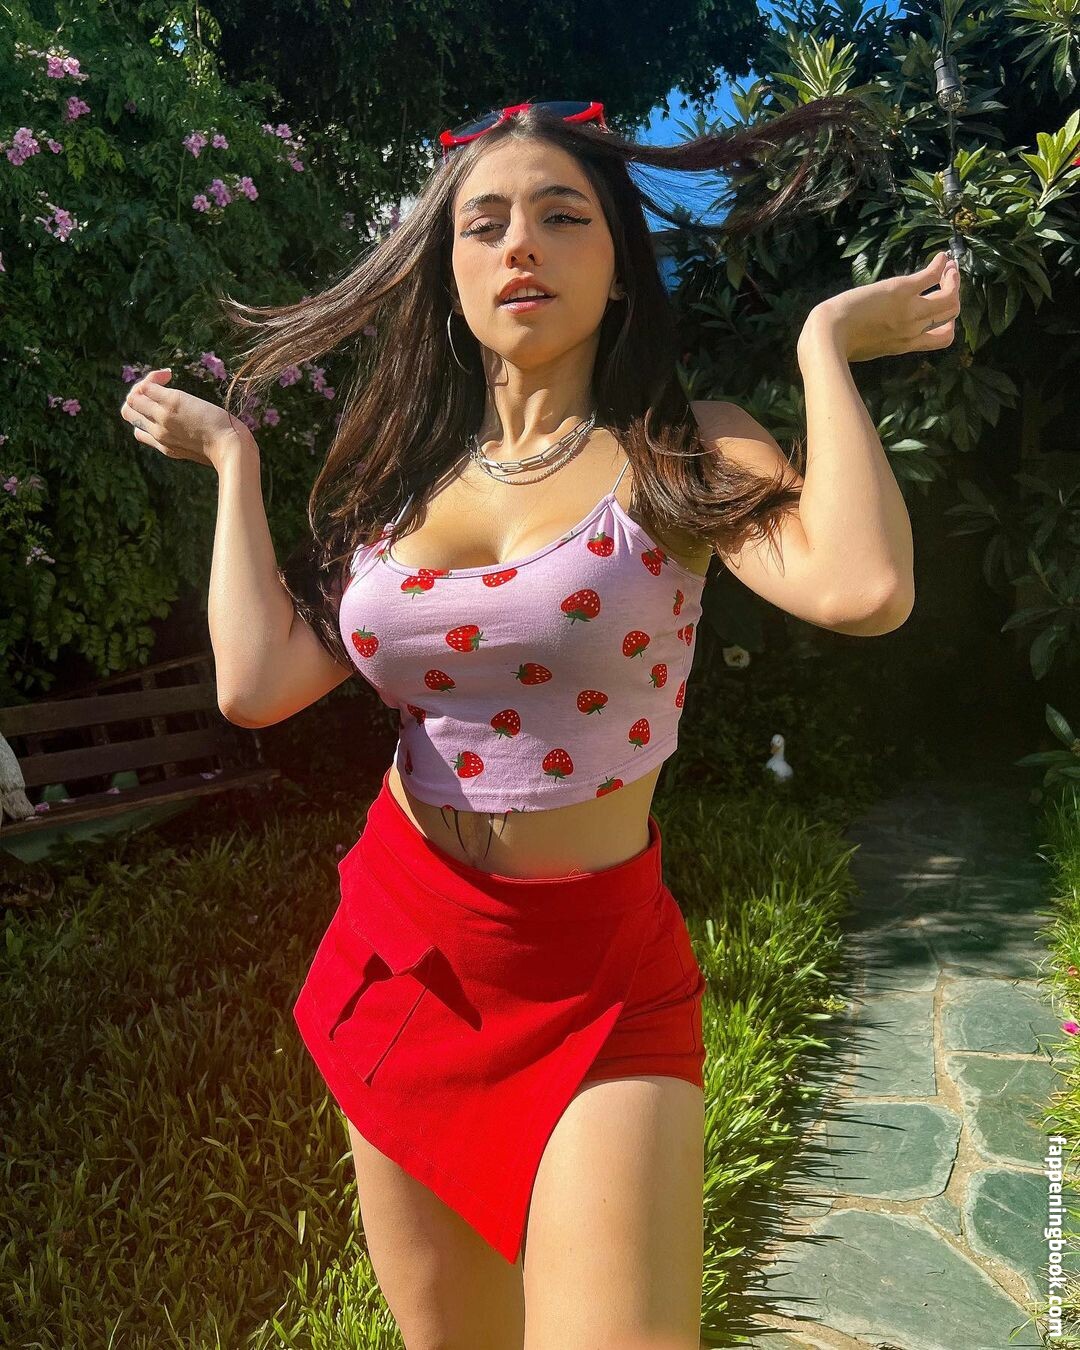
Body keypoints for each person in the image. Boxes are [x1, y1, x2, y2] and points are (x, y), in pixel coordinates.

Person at [119, 95, 955, 1349]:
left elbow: (865, 587)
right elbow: (260, 683)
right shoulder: (398, 480)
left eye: (564, 217)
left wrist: (822, 346)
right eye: (486, 223)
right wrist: (236, 461)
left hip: (598, 979)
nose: (521, 243)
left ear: (618, 270)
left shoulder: (680, 450)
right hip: (407, 951)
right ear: (448, 274)